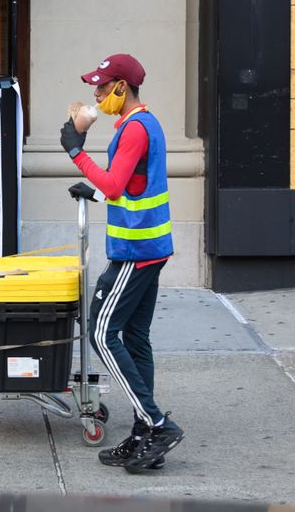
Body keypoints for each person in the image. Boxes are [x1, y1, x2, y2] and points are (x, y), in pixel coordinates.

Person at [59, 53, 183, 473]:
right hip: (151, 248)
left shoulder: (134, 129)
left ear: (121, 89)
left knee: (99, 331)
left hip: (135, 253)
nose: (95, 95)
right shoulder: (143, 125)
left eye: (100, 87)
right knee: (135, 337)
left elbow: (113, 183)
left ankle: (157, 424)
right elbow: (128, 188)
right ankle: (142, 436)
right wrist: (91, 193)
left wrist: (76, 150)